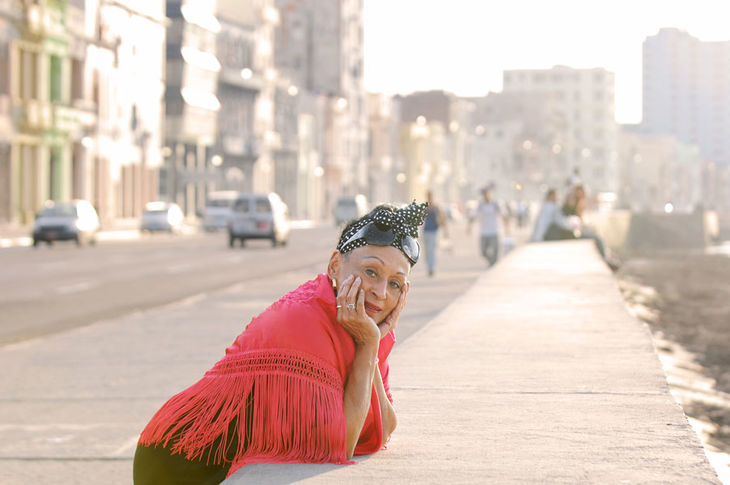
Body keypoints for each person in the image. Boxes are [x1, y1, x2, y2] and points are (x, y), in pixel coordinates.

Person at [133, 202, 428, 484]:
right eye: (370, 272)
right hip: (185, 463)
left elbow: (384, 427)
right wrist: (367, 347)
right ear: (335, 266)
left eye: (395, 284)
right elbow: (341, 444)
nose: (380, 292)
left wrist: (372, 345)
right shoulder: (304, 318)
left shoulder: (364, 325)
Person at [475, 184, 509, 267]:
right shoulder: (480, 204)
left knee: (495, 251)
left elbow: (504, 215)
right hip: (484, 231)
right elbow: (473, 215)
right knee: (483, 252)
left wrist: (507, 227)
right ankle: (491, 262)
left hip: (494, 231)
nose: (485, 195)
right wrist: (468, 226)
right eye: (484, 194)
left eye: (487, 193)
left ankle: (493, 264)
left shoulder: (495, 204)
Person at [422, 190, 447, 277]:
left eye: (430, 196)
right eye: (428, 196)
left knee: (431, 250)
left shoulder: (436, 207)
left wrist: (445, 231)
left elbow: (442, 218)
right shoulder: (424, 207)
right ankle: (429, 265)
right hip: (425, 231)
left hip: (433, 231)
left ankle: (431, 268)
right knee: (427, 251)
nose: (429, 198)